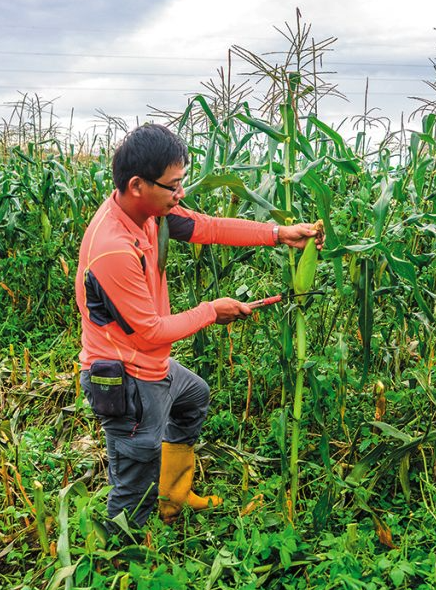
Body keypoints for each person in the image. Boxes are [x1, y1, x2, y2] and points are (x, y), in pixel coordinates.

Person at [75, 123, 322, 527]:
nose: (181, 194)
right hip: (126, 377)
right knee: (134, 476)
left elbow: (208, 227)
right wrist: (212, 311)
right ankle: (123, 555)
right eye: (173, 186)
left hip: (148, 362)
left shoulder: (151, 216)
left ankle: (173, 497)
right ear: (137, 184)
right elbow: (152, 331)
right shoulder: (113, 248)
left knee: (192, 398)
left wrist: (279, 234)